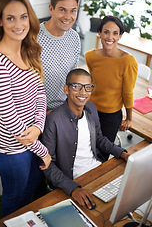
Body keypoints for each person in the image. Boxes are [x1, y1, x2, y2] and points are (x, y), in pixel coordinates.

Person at [0, 0, 51, 217]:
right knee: (14, 199)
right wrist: (41, 149)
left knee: (28, 191)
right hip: (10, 147)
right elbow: (8, 117)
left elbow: (40, 94)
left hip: (31, 139)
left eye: (23, 16)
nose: (19, 24)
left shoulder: (29, 49)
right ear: (0, 20)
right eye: (10, 18)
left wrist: (37, 128)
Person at [40, 69, 130, 210]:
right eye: (76, 86)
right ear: (66, 89)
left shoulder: (91, 108)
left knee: (125, 200)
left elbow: (99, 139)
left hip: (97, 169)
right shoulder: (53, 120)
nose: (83, 92)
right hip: (74, 180)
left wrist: (123, 153)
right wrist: (73, 189)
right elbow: (47, 165)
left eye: (88, 87)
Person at [85, 15, 138, 160]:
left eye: (115, 33)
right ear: (99, 33)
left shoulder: (128, 62)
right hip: (90, 111)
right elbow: (93, 84)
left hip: (111, 115)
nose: (110, 37)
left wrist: (129, 118)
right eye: (106, 32)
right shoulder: (90, 56)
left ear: (120, 35)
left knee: (101, 155)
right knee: (85, 150)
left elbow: (128, 93)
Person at [38, 0, 81, 112]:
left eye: (72, 11)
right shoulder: (33, 38)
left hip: (64, 108)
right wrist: (42, 113)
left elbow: (72, 76)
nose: (68, 17)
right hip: (36, 112)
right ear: (51, 9)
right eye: (62, 10)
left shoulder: (74, 38)